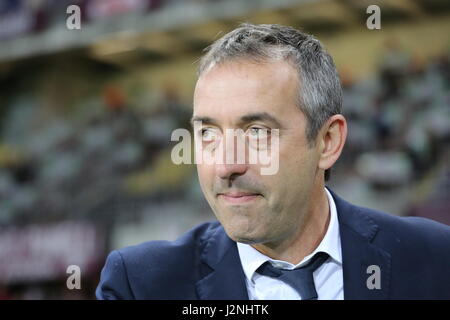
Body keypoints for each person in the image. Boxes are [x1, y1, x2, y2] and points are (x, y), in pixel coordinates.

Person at [96, 24, 450, 300]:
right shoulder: (141, 285)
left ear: (328, 142)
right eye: (207, 133)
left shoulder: (434, 259)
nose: (225, 166)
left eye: (256, 132)